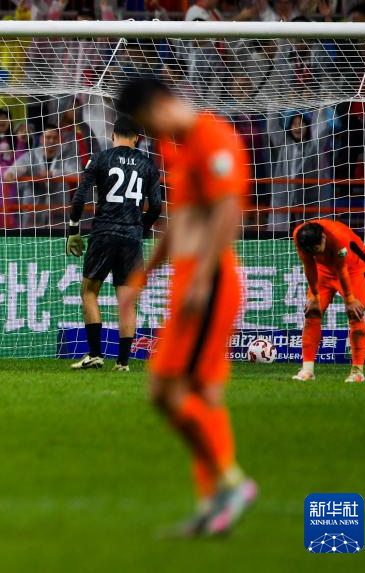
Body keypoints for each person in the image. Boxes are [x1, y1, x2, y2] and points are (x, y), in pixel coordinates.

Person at [116, 77, 257, 536]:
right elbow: (181, 221)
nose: (153, 133)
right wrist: (143, 277)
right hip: (192, 278)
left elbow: (228, 209)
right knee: (203, 395)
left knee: (164, 390)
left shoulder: (213, 136)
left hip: (208, 281)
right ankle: (214, 508)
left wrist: (201, 278)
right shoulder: (181, 147)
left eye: (148, 122)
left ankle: (231, 482)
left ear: (160, 104)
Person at [66, 118, 162, 372]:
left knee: (89, 292)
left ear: (113, 136)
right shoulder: (148, 164)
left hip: (104, 232)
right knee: (127, 301)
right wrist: (140, 228)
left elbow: (80, 196)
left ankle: (95, 355)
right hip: (131, 237)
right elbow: (157, 206)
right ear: (137, 138)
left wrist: (73, 229)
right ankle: (123, 363)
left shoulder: (101, 158)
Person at [292, 220, 365, 384]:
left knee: (355, 315)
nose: (314, 254)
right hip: (323, 271)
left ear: (323, 238)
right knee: (312, 313)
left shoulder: (337, 237)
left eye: (316, 250)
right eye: (311, 252)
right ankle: (307, 370)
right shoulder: (299, 236)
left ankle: (357, 372)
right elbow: (309, 264)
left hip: (353, 268)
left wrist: (349, 299)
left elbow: (342, 270)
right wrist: (314, 296)